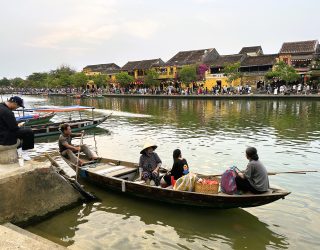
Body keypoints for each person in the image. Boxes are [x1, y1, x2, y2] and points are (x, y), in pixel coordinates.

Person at [0, 96, 34, 160]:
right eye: (18, 106)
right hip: (3, 139)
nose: (16, 108)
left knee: (18, 133)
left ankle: (19, 150)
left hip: (2, 131)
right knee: (28, 132)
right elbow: (15, 129)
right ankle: (24, 154)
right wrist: (19, 125)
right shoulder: (8, 112)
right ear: (14, 103)